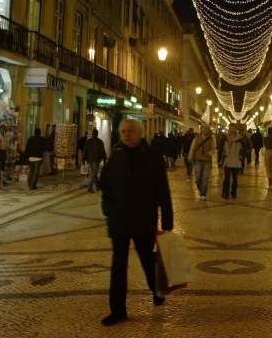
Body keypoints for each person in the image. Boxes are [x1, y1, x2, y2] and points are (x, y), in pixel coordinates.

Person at [98, 119, 173, 327]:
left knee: (148, 261)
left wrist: (167, 221)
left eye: (130, 131)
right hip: (119, 220)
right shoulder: (116, 154)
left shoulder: (153, 157)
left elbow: (163, 191)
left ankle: (157, 291)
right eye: (123, 131)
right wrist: (109, 209)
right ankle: (117, 310)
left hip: (143, 219)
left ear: (140, 133)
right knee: (118, 266)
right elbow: (104, 185)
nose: (126, 135)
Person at [189, 126, 216, 201]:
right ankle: (200, 189)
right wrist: (190, 156)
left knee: (205, 177)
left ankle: (203, 193)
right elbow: (192, 147)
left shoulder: (212, 138)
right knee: (198, 177)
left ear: (209, 129)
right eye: (203, 128)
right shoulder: (197, 137)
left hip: (207, 160)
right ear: (201, 129)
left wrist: (209, 153)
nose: (204, 130)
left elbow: (214, 149)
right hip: (198, 159)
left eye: (206, 128)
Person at [222, 126, 244, 199]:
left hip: (236, 161)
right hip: (227, 160)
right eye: (230, 128)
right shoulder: (225, 137)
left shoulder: (240, 139)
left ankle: (233, 193)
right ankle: (225, 194)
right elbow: (221, 148)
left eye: (233, 128)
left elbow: (245, 149)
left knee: (235, 178)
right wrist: (220, 160)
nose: (231, 130)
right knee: (227, 178)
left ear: (236, 129)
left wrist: (241, 156)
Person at [84, 129, 107, 193]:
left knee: (94, 173)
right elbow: (85, 151)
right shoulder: (97, 142)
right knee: (94, 174)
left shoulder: (98, 142)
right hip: (93, 160)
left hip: (94, 160)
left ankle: (98, 185)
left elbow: (102, 151)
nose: (95, 135)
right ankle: (90, 187)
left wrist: (104, 159)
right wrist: (104, 160)